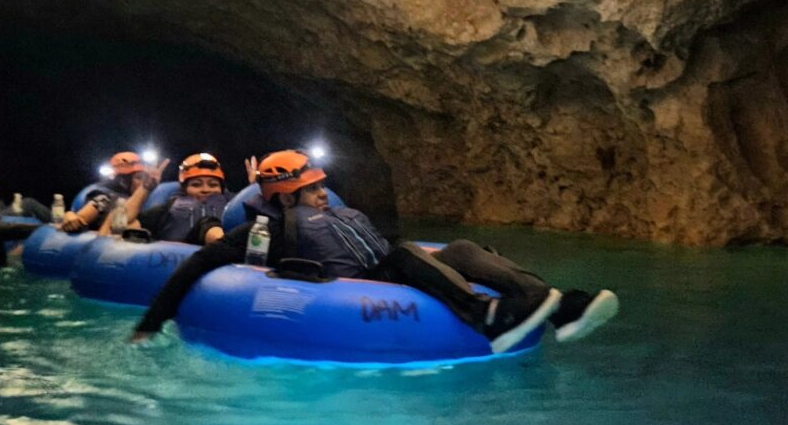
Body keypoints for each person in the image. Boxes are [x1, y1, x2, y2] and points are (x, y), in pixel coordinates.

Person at [133, 150, 619, 352]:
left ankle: (557, 305)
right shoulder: (264, 231)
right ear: (282, 196)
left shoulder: (338, 215)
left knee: (464, 248)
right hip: (359, 287)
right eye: (309, 189)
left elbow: (379, 245)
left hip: (387, 267)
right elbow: (200, 261)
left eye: (321, 185)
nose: (321, 193)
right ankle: (484, 316)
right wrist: (153, 321)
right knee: (406, 253)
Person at [123, 152, 231, 246]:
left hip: (226, 264)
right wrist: (146, 188)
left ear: (222, 189)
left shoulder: (233, 207)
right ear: (184, 189)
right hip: (173, 261)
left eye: (213, 185)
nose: (205, 190)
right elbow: (122, 223)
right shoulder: (166, 211)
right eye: (196, 185)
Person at [58, 151, 170, 233]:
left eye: (145, 178)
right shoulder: (104, 199)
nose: (142, 182)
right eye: (138, 178)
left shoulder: (151, 203)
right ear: (123, 181)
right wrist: (70, 216)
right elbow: (80, 218)